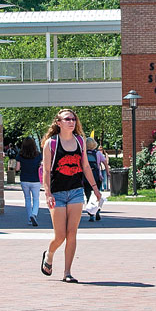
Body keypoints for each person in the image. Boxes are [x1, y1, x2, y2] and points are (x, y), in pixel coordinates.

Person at [40, 108, 102, 283]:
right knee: (60, 236)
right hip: (57, 193)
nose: (71, 121)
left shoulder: (80, 141)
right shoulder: (51, 143)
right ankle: (49, 254)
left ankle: (67, 272)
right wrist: (48, 193)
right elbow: (45, 171)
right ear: (58, 123)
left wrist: (95, 189)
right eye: (67, 119)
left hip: (76, 191)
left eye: (73, 119)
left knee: (72, 233)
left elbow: (86, 167)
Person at [14, 137, 43, 227]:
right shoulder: (38, 155)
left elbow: (17, 168)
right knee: (36, 199)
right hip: (36, 180)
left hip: (24, 179)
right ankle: (34, 214)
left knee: (27, 199)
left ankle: (29, 218)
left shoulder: (20, 155)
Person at [83, 138, 108, 222]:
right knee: (97, 195)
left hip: (86, 178)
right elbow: (105, 162)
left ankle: (91, 214)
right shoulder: (98, 153)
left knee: (88, 196)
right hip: (97, 177)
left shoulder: (83, 154)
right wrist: (107, 172)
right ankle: (97, 211)